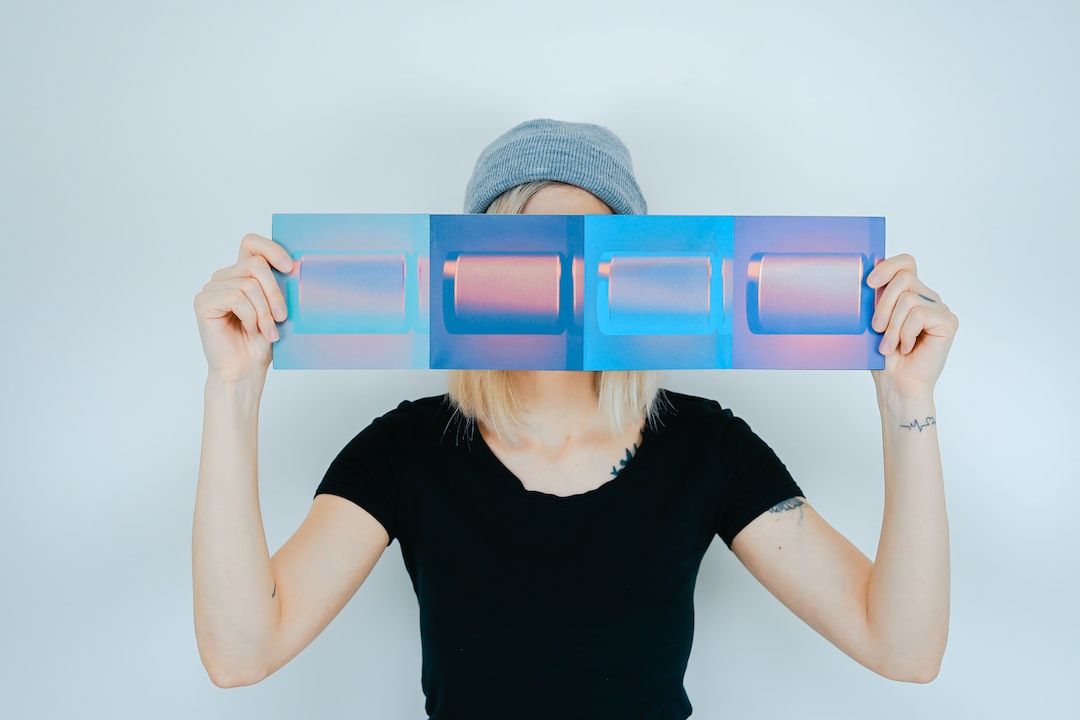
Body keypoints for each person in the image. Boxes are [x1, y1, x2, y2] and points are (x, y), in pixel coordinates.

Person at [193, 119, 957, 719]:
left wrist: (907, 404)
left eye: (593, 253)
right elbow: (242, 653)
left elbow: (903, 646)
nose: (557, 284)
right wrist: (232, 390)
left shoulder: (705, 448)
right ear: (473, 274)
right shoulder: (407, 450)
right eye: (524, 250)